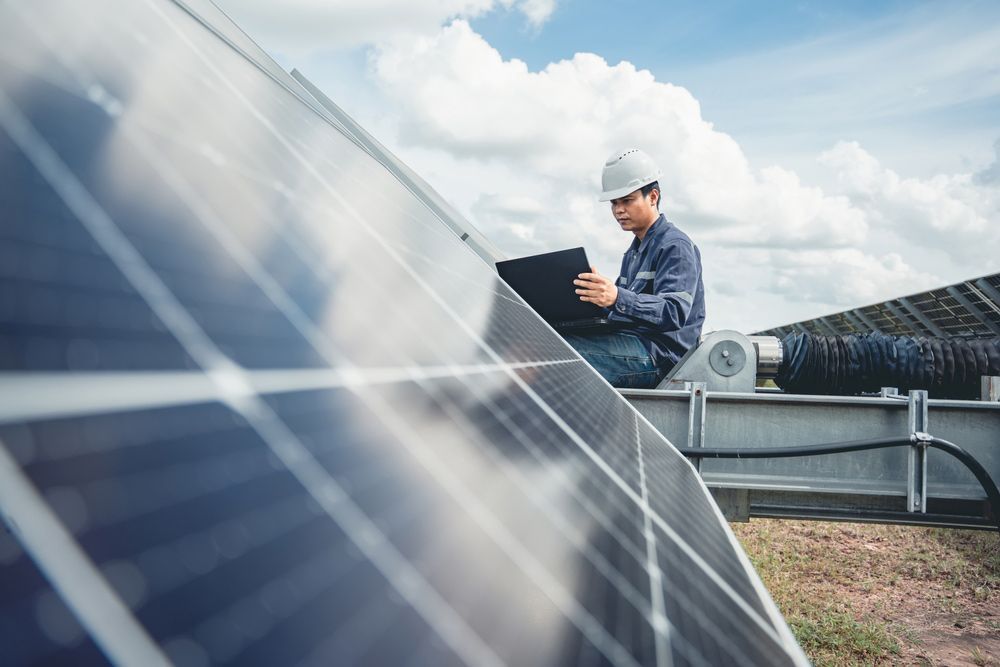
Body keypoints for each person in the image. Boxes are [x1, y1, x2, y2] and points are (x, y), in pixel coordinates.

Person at [564, 148, 706, 388]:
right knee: (552, 340)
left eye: (627, 201)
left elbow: (674, 312)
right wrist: (592, 300)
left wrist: (616, 296)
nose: (619, 210)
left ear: (652, 196)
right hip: (633, 345)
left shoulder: (676, 246)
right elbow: (621, 310)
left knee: (557, 354)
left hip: (660, 357)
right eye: (614, 203)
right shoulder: (633, 253)